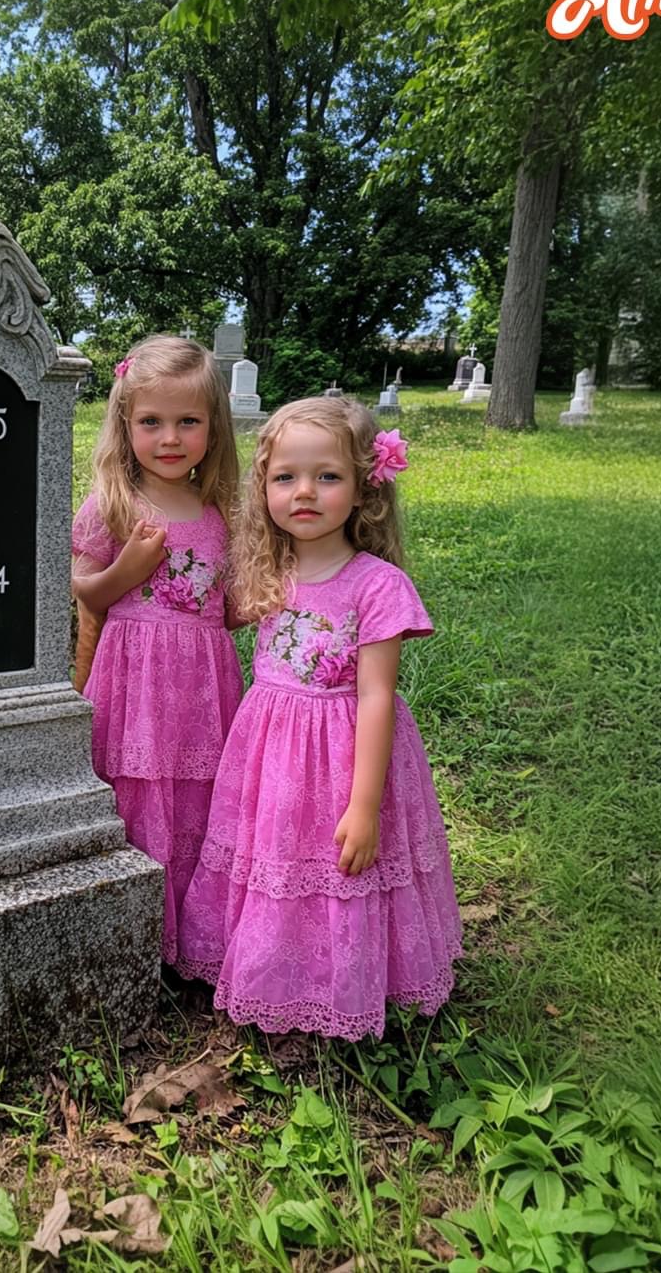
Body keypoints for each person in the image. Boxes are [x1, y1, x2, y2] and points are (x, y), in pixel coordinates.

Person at [177, 397, 462, 1038]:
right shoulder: (267, 571)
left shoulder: (377, 584)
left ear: (366, 489)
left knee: (340, 868)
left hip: (344, 754)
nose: (305, 492)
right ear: (265, 489)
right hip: (272, 754)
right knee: (274, 861)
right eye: (285, 478)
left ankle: (344, 981)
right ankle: (277, 968)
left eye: (327, 476)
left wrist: (364, 805)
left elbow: (377, 697)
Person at [71, 335, 242, 962]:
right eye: (152, 422)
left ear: (212, 427)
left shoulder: (221, 510)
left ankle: (191, 936)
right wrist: (132, 569)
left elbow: (226, 609)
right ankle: (129, 938)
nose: (170, 437)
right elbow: (87, 595)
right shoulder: (112, 505)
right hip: (134, 682)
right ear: (125, 424)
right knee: (139, 793)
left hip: (202, 686)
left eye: (187, 421)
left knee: (198, 797)